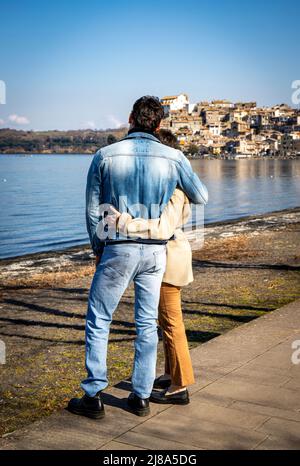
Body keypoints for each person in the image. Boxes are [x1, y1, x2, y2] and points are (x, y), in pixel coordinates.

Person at [68, 96, 208, 419]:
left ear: (131, 117)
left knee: (100, 317)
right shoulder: (173, 157)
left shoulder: (104, 156)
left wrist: (98, 247)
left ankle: (93, 394)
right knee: (146, 323)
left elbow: (93, 211)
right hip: (156, 251)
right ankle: (141, 396)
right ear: (159, 125)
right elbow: (200, 194)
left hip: (119, 245)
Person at [106, 130, 198, 406]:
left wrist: (124, 222)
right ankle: (171, 374)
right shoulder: (170, 185)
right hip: (166, 256)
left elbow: (162, 228)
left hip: (169, 259)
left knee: (171, 324)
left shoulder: (177, 190)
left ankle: (181, 385)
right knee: (165, 321)